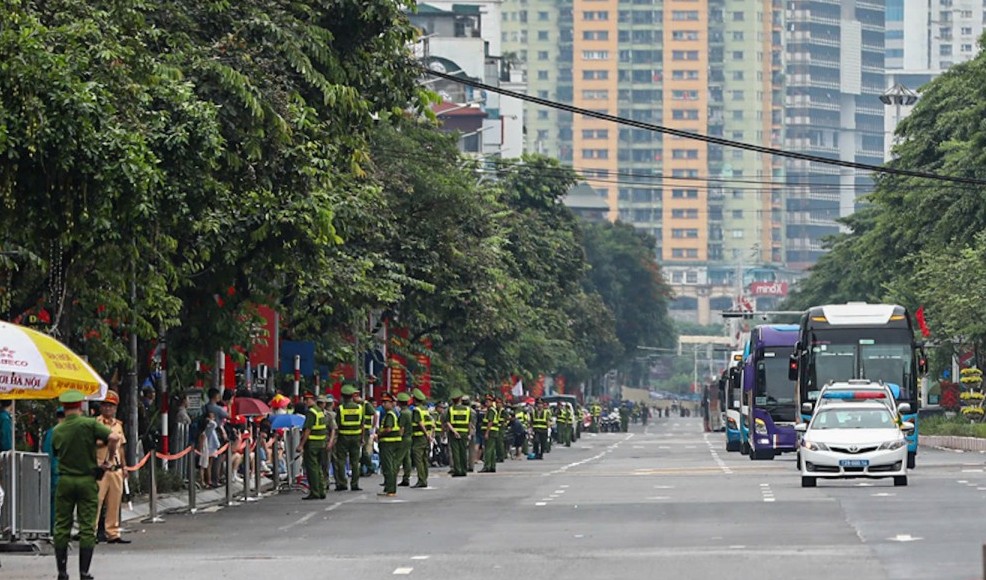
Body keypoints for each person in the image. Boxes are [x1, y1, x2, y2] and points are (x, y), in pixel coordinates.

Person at [53, 390, 121, 580]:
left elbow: (56, 452)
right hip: (87, 480)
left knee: (62, 526)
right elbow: (114, 438)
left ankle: (62, 572)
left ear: (64, 406)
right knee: (86, 526)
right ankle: (84, 572)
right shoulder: (89, 424)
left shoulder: (57, 430)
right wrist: (108, 461)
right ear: (81, 405)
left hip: (65, 481)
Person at [94, 391, 129, 544]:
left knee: (114, 504)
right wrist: (107, 442)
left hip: (115, 469)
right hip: (101, 469)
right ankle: (91, 533)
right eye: (105, 405)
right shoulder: (95, 424)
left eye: (111, 406)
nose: (108, 409)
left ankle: (113, 533)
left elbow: (121, 448)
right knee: (96, 502)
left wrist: (124, 466)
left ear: (115, 408)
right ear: (101, 407)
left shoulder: (118, 426)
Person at [296, 392, 329, 500]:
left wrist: (301, 445)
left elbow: (307, 430)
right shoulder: (320, 411)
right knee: (318, 468)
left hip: (312, 445)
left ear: (311, 400)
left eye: (306, 400)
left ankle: (315, 491)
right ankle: (321, 490)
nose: (305, 402)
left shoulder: (311, 412)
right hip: (321, 443)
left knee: (312, 469)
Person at [333, 385, 364, 491]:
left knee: (341, 460)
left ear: (343, 396)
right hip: (356, 437)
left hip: (343, 437)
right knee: (355, 461)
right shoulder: (360, 408)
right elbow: (362, 424)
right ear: (352, 396)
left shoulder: (340, 409)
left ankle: (342, 483)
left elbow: (337, 425)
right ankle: (355, 484)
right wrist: (362, 437)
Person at [42, 407, 66, 532]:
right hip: (61, 473)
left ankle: (55, 529)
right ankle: (56, 529)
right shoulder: (68, 432)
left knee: (55, 503)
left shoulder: (51, 432)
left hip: (54, 471)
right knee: (59, 504)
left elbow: (46, 453)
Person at [377, 393, 402, 497]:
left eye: (386, 402)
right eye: (383, 402)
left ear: (392, 403)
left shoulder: (390, 415)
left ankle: (391, 489)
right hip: (391, 442)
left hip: (389, 443)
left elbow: (388, 429)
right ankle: (389, 488)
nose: (384, 404)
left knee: (389, 466)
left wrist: (379, 433)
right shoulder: (391, 414)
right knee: (389, 466)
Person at [410, 389, 434, 487]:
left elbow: (420, 423)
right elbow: (431, 424)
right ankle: (425, 478)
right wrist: (429, 435)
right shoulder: (425, 409)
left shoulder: (416, 410)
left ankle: (421, 480)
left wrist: (426, 434)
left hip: (419, 437)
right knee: (424, 458)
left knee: (418, 458)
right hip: (425, 438)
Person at [445, 392, 470, 477]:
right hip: (464, 433)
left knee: (455, 452)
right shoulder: (467, 409)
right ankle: (464, 470)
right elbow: (470, 423)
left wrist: (454, 432)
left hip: (454, 433)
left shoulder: (450, 409)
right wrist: (469, 433)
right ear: (460, 399)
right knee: (463, 451)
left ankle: (457, 470)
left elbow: (447, 422)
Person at [396, 392, 414, 487]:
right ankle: (406, 478)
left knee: (398, 459)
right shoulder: (410, 412)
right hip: (409, 437)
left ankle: (391, 478)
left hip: (404, 438)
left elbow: (401, 428)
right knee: (407, 459)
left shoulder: (403, 413)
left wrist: (398, 438)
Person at [480, 395, 499, 473]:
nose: (486, 403)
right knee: (492, 450)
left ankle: (487, 466)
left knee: (488, 450)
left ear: (491, 402)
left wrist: (487, 433)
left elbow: (490, 422)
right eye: (486, 401)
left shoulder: (491, 410)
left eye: (488, 401)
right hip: (492, 432)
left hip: (491, 432)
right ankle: (492, 466)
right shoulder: (490, 410)